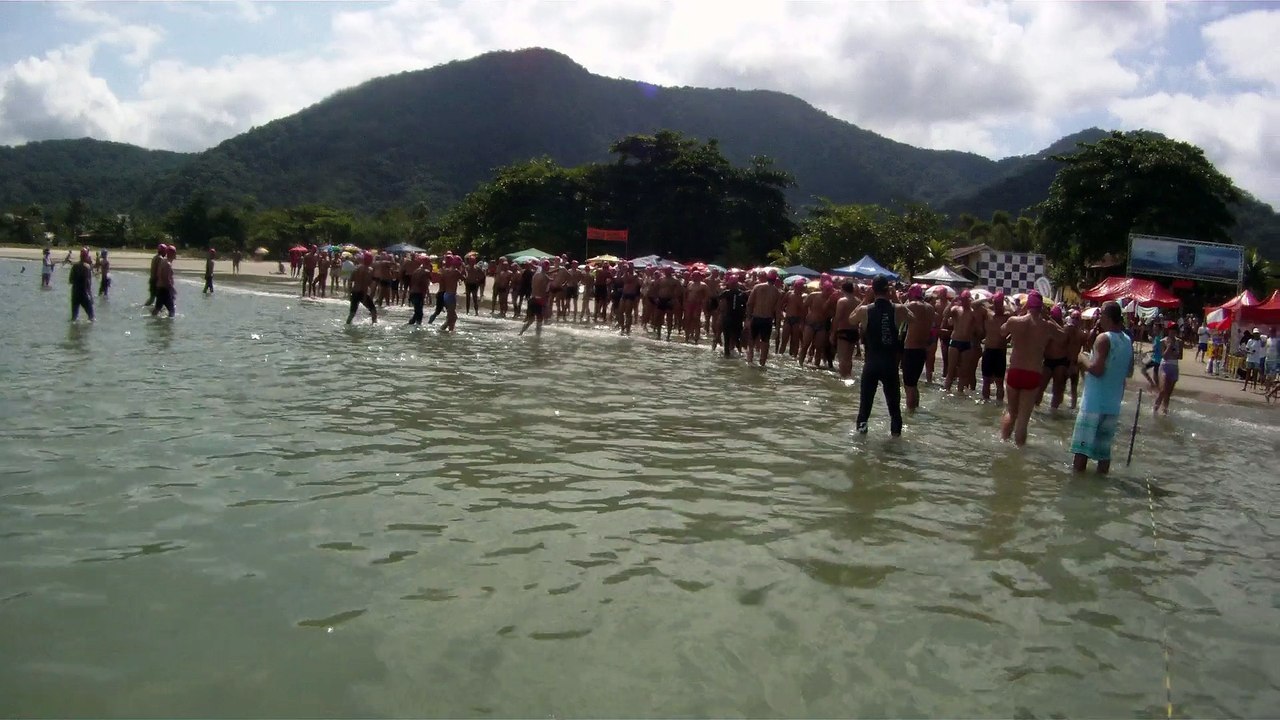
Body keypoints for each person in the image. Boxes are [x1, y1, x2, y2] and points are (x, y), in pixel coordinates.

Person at [1072, 301, 1134, 474]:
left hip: (1093, 404)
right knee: (1103, 454)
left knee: (1081, 451)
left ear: (1107, 316)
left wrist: (1082, 357)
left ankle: (1076, 488)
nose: (1099, 318)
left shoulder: (1104, 338)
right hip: (1112, 405)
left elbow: (1097, 370)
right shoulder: (1127, 339)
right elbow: (1129, 372)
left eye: (1100, 315)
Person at [851, 276, 910, 436]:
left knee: (864, 408)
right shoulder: (898, 309)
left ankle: (861, 440)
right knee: (894, 409)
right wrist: (896, 298)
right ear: (888, 290)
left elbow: (851, 319)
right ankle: (896, 440)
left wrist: (865, 299)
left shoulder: (865, 310)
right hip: (890, 364)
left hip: (871, 364)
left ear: (873, 290)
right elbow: (912, 318)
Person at [999, 291, 1055, 446]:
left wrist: (1019, 313)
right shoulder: (1047, 326)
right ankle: (1019, 450)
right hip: (1033, 373)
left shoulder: (1015, 321)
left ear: (1028, 305)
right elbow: (1063, 337)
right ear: (1042, 307)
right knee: (1023, 418)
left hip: (1016, 370)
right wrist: (1048, 317)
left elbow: (1002, 331)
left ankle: (1003, 441)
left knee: (1011, 411)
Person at [900, 285, 934, 409]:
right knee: (914, 384)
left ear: (911, 294)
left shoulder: (911, 306)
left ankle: (910, 414)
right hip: (922, 350)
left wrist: (901, 299)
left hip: (910, 348)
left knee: (908, 385)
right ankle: (916, 409)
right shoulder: (930, 308)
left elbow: (899, 313)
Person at [943, 289, 979, 395]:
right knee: (951, 370)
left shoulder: (973, 312)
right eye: (963, 299)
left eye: (966, 299)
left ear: (969, 300)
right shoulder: (956, 309)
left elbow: (977, 328)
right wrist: (952, 303)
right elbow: (945, 315)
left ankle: (959, 393)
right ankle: (946, 392)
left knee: (963, 372)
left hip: (966, 343)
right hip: (955, 341)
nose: (964, 301)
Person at [745, 270, 782, 367]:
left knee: (751, 340)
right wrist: (777, 328)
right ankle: (762, 363)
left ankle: (750, 360)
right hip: (767, 320)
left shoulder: (757, 287)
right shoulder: (777, 292)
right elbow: (778, 312)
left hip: (756, 317)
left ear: (767, 278)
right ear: (775, 279)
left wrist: (748, 319)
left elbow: (749, 304)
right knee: (765, 342)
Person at [978, 292, 1008, 403]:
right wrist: (987, 299)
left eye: (999, 303)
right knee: (986, 381)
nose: (997, 306)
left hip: (1000, 351)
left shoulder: (1008, 315)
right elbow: (973, 305)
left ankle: (999, 405)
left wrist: (1008, 339)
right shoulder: (987, 312)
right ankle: (985, 403)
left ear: (1002, 303)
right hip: (989, 350)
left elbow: (1018, 315)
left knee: (999, 382)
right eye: (995, 303)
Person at [1152, 322, 1182, 415]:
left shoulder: (1179, 342)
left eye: (1174, 331)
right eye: (1171, 330)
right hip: (1164, 366)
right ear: (1168, 331)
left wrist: (1172, 353)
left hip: (1174, 367)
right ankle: (1155, 410)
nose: (1172, 332)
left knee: (1168, 393)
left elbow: (1180, 356)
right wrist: (1169, 346)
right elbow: (1164, 356)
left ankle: (1165, 411)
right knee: (1162, 390)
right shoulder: (1163, 341)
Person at [832, 281, 861, 378]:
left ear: (842, 289)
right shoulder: (858, 301)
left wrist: (832, 333)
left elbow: (838, 318)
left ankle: (843, 378)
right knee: (849, 358)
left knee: (842, 358)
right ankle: (849, 375)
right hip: (854, 331)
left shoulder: (842, 301)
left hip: (843, 331)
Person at [717, 272, 749, 357]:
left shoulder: (727, 292)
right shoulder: (741, 293)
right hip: (736, 318)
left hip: (730, 317)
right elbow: (747, 305)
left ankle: (729, 354)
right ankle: (739, 353)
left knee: (729, 338)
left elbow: (717, 298)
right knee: (736, 337)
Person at [520, 260, 551, 336]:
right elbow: (545, 291)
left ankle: (520, 333)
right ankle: (538, 338)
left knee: (531, 320)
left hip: (532, 299)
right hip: (539, 300)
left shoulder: (535, 275)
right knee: (539, 321)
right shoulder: (545, 278)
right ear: (547, 267)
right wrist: (546, 305)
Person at [346, 252, 378, 324]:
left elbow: (350, 281)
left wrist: (349, 293)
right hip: (362, 293)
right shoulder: (369, 270)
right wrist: (364, 297)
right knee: (374, 312)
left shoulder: (356, 268)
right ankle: (374, 327)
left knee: (352, 314)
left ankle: (347, 325)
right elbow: (365, 284)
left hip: (354, 292)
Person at [69, 248, 95, 322]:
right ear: (86, 257)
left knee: (74, 317)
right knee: (91, 317)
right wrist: (90, 295)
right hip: (84, 293)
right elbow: (88, 282)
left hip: (75, 292)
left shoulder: (75, 266)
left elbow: (71, 280)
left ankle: (74, 331)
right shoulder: (87, 267)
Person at [151, 246, 177, 318]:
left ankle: (152, 322)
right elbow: (166, 278)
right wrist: (172, 289)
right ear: (172, 253)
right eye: (175, 252)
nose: (176, 254)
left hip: (160, 288)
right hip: (164, 289)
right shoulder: (168, 264)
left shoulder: (163, 261)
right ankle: (168, 327)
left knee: (157, 309)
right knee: (172, 310)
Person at [406, 255, 431, 325]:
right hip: (418, 294)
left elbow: (412, 283)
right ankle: (417, 329)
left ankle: (411, 325)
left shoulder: (415, 271)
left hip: (413, 293)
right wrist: (428, 296)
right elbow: (425, 284)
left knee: (417, 313)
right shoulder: (426, 272)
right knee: (419, 313)